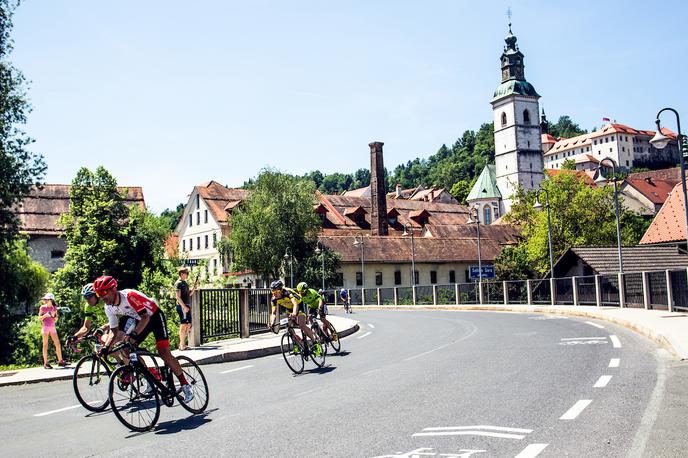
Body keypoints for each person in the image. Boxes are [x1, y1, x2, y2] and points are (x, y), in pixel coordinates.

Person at [92, 275, 194, 403]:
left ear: (113, 289)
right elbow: (114, 331)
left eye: (103, 292)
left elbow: (145, 316)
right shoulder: (109, 307)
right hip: (140, 320)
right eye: (98, 293)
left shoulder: (129, 296)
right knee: (126, 348)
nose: (101, 296)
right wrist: (106, 347)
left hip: (154, 317)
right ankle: (150, 379)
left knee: (164, 352)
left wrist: (134, 334)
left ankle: (185, 385)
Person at [268, 280, 319, 349]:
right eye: (273, 292)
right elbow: (273, 313)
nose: (274, 294)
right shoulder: (274, 299)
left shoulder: (287, 292)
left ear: (281, 290)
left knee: (302, 325)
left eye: (276, 292)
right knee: (289, 327)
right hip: (289, 309)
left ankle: (315, 342)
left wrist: (294, 314)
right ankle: (297, 343)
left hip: (299, 305)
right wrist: (272, 322)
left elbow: (295, 304)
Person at [39, 293, 66, 369]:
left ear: (51, 300)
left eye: (46, 299)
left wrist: (53, 316)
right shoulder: (42, 307)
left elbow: (55, 319)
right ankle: (45, 363)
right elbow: (39, 318)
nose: (45, 300)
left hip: (52, 327)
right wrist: (45, 315)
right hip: (45, 328)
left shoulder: (54, 308)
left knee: (57, 343)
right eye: (45, 299)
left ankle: (60, 361)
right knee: (45, 345)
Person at [174, 267, 197, 351]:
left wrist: (194, 288)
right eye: (186, 273)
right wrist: (184, 307)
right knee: (183, 325)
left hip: (186, 306)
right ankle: (182, 345)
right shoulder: (178, 283)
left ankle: (182, 344)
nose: (187, 275)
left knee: (188, 325)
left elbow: (189, 294)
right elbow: (177, 297)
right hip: (182, 306)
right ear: (182, 274)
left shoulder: (185, 283)